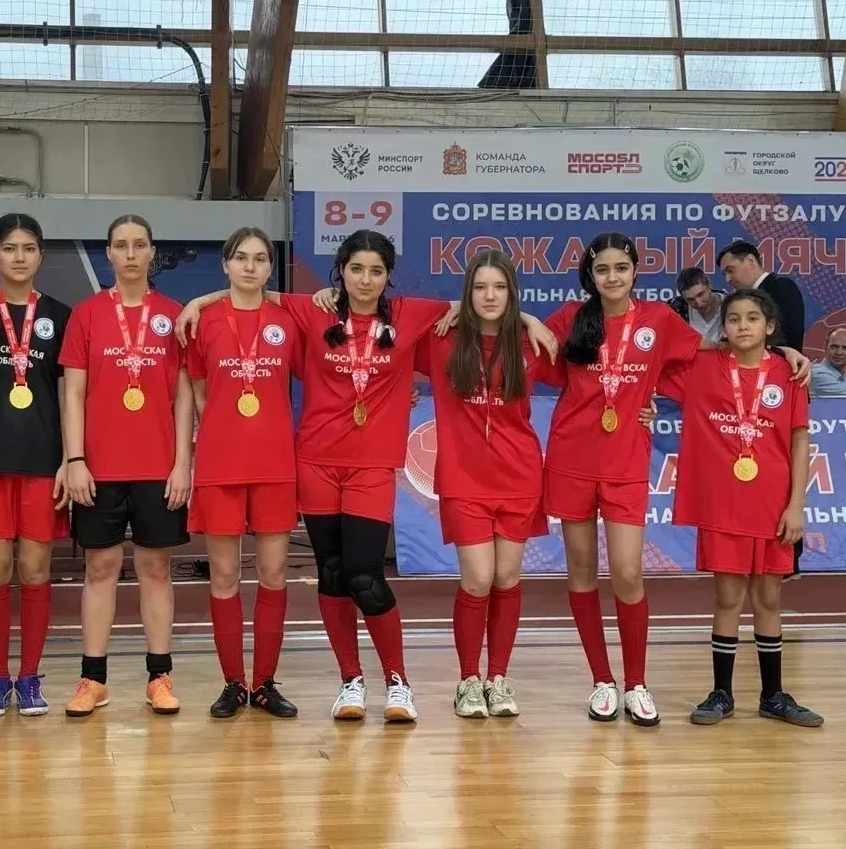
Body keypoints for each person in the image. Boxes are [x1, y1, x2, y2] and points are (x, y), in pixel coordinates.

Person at [176, 229, 556, 723]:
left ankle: (398, 682)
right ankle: (350, 681)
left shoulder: (408, 315)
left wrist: (527, 317)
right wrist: (200, 301)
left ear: (388, 276)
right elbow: (252, 290)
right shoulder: (313, 310)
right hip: (315, 461)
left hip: (373, 466)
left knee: (365, 575)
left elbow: (476, 304)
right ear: (342, 272)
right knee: (333, 575)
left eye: (376, 271)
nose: (365, 279)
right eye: (356, 269)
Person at [543, 232, 710, 727]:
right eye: (602, 269)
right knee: (580, 573)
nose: (612, 277)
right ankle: (602, 680)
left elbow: (706, 358)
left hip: (625, 462)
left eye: (621, 268)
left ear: (636, 271)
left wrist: (780, 353)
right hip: (571, 456)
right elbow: (524, 348)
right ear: (590, 276)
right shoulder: (570, 319)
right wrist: (528, 319)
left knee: (627, 573)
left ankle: (636, 683)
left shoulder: (658, 319)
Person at [657, 289, 823, 728]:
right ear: (723, 327)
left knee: (769, 598)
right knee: (728, 597)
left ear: (770, 326)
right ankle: (722, 693)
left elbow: (799, 441)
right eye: (733, 319)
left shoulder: (789, 375)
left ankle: (773, 695)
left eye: (753, 318)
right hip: (723, 506)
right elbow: (656, 351)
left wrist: (796, 505)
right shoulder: (702, 367)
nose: (743, 326)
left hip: (773, 505)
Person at [59, 214, 193, 718]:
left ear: (153, 252)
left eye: (140, 245)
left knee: (156, 568)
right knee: (100, 568)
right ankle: (93, 679)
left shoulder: (174, 315)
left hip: (159, 467)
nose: (131, 254)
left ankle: (159, 677)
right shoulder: (87, 314)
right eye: (122, 245)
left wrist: (183, 463)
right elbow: (73, 393)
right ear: (109, 254)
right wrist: (75, 459)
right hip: (99, 467)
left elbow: (184, 396)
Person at [412, 249, 553, 719]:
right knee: (477, 579)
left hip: (519, 477)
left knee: (507, 578)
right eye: (479, 287)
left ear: (512, 292)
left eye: (499, 287)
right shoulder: (441, 339)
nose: (489, 296)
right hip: (464, 480)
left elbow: (591, 376)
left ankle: (498, 678)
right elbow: (390, 322)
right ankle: (468, 680)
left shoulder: (531, 345)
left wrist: (528, 319)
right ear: (466, 293)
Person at [0, 213, 73, 717]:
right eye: (8, 248)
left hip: (44, 462)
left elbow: (69, 395)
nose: (19, 257)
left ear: (41, 255)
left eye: (28, 248)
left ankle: (30, 677)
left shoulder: (61, 316)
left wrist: (70, 459)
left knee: (36, 570)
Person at [186, 227, 300, 719]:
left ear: (271, 268)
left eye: (260, 259)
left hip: (275, 463)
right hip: (220, 463)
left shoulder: (288, 319)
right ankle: (233, 682)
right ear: (226, 264)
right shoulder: (204, 320)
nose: (250, 267)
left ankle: (265, 683)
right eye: (241, 258)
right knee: (225, 574)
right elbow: (196, 387)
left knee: (273, 573)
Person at [715, 239, 807, 577]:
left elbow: (790, 337)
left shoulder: (781, 288)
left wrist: (785, 352)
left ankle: (787, 558)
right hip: (746, 394)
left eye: (730, 269)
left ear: (751, 261)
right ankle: (748, 557)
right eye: (737, 320)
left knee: (783, 473)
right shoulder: (741, 301)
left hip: (781, 390)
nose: (728, 278)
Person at [670, 266, 725, 346]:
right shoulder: (676, 308)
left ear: (709, 285)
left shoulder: (732, 304)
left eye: (701, 294)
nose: (698, 303)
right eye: (690, 299)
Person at [810, 327, 846, 396]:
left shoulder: (843, 376)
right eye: (834, 347)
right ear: (825, 347)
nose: (839, 352)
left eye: (845, 348)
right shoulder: (818, 374)